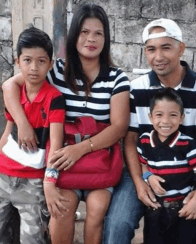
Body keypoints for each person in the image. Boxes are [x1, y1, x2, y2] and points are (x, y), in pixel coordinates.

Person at [2, 3, 130, 244]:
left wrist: (80, 149)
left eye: (98, 33)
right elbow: (9, 86)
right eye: (84, 32)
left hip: (99, 162)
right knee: (61, 209)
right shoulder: (56, 70)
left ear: (106, 38)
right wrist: (23, 124)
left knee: (97, 208)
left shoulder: (117, 77)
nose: (91, 39)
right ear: (74, 36)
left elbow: (119, 127)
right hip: (61, 162)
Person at [103, 18, 196, 244]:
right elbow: (130, 140)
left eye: (166, 47)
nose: (158, 57)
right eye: (151, 49)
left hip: (191, 172)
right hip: (143, 169)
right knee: (117, 224)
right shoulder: (136, 89)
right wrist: (139, 182)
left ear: (181, 49)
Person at [0, 26, 66, 243]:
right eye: (27, 60)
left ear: (50, 63)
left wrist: (50, 181)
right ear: (18, 62)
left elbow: (55, 144)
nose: (34, 68)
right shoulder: (14, 94)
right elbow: (8, 131)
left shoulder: (54, 99)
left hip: (32, 183)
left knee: (32, 238)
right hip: (3, 175)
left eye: (41, 61)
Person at [138, 88, 196, 244]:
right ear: (150, 117)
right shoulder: (144, 141)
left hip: (183, 209)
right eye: (159, 115)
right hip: (155, 210)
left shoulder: (187, 143)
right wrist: (148, 176)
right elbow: (143, 165)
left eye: (173, 115)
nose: (165, 121)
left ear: (181, 118)